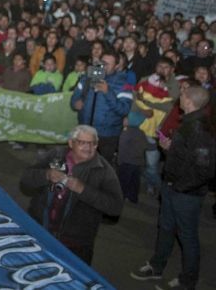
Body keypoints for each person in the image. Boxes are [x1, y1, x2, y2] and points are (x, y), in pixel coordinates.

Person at [131, 86, 215, 289]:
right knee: (166, 228)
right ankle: (156, 266)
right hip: (173, 187)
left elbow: (205, 169)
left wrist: (180, 187)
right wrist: (171, 149)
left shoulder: (199, 128)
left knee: (187, 237)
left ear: (189, 100)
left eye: (184, 94)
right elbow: (187, 157)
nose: (180, 97)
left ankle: (188, 281)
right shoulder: (188, 122)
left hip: (185, 193)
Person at [20, 125, 124, 264]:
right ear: (71, 143)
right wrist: (46, 174)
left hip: (74, 245)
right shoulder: (56, 155)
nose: (88, 147)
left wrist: (83, 190)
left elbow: (115, 207)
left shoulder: (103, 170)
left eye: (92, 143)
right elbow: (26, 179)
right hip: (39, 232)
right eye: (82, 142)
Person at [70, 52, 133, 165]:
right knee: (80, 163)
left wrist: (107, 92)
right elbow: (74, 99)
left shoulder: (124, 84)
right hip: (85, 130)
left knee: (101, 167)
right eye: (102, 62)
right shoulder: (87, 77)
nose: (103, 66)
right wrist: (75, 103)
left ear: (117, 66)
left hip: (107, 135)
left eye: (108, 64)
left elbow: (124, 110)